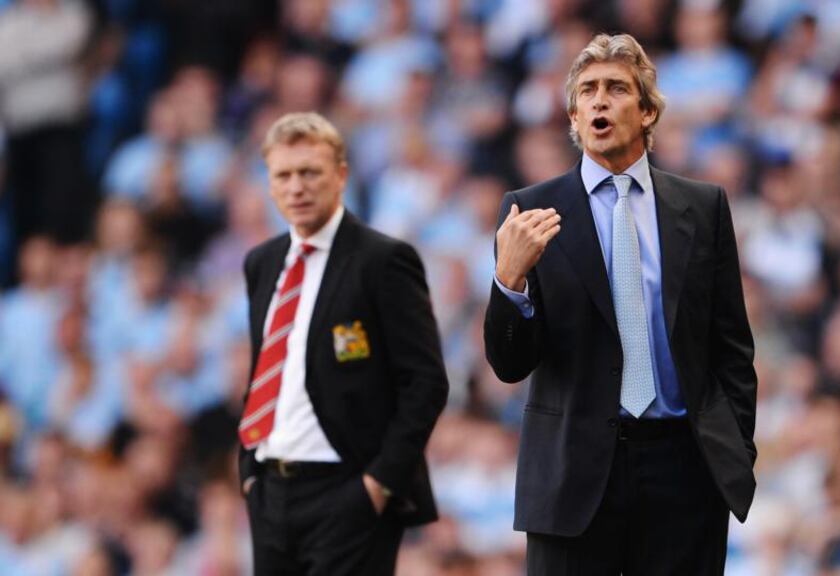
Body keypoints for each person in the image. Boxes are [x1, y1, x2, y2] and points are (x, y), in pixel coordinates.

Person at [484, 34, 758, 575]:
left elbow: (731, 348)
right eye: (587, 91)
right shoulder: (529, 211)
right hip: (573, 476)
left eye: (616, 88)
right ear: (573, 113)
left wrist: (733, 451)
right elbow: (509, 364)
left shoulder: (702, 208)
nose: (599, 100)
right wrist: (508, 276)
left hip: (683, 470)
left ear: (648, 110)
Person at [238, 112, 448, 575]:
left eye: (310, 172)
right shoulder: (261, 263)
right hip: (271, 491)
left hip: (348, 490)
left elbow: (426, 382)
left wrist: (378, 483)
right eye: (284, 175)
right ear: (269, 184)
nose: (297, 187)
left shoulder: (383, 260)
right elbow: (265, 372)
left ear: (340, 175)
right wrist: (250, 472)